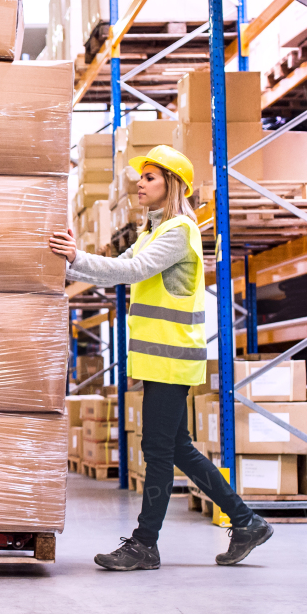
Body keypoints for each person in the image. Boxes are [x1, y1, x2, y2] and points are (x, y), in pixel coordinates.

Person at [49, 145, 273, 570]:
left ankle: (144, 544)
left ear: (172, 184)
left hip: (171, 357)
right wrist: (68, 264)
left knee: (157, 450)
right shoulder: (152, 232)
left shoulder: (179, 230)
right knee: (177, 448)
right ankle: (247, 522)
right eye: (141, 176)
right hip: (158, 358)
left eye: (150, 177)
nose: (140, 182)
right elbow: (117, 266)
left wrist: (75, 258)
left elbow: (133, 272)